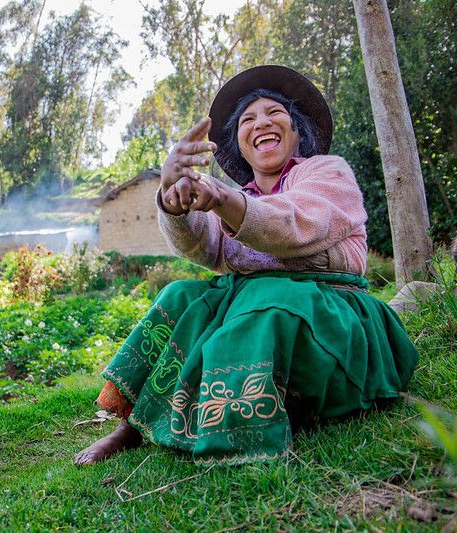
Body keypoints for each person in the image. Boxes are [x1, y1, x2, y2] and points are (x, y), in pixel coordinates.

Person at [74, 65, 419, 467]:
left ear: (297, 130)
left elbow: (293, 225)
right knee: (180, 295)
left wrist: (221, 199)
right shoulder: (238, 195)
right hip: (257, 302)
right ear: (239, 144)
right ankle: (132, 426)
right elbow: (202, 244)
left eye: (274, 113)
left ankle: (246, 424)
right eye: (248, 120)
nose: (261, 123)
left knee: (268, 299)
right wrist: (173, 198)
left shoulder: (327, 172)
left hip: (326, 312)